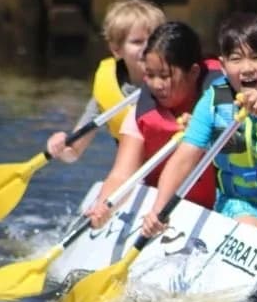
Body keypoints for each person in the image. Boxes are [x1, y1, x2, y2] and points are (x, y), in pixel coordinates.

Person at [141, 13, 257, 257]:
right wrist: (159, 209)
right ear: (223, 66)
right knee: (253, 238)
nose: (247, 68)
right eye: (236, 59)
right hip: (241, 205)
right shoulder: (213, 101)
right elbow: (184, 158)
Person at [86, 21, 218, 228]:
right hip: (158, 211)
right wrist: (104, 205)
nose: (156, 85)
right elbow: (121, 174)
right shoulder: (142, 113)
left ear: (193, 73)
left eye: (165, 76)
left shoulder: (223, 105)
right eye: (149, 75)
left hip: (217, 210)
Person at [46, 0, 166, 163]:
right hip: (135, 169)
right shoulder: (108, 89)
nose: (148, 48)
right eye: (137, 42)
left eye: (153, 40)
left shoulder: (177, 82)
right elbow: (73, 152)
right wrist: (60, 146)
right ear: (116, 49)